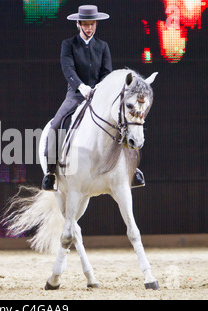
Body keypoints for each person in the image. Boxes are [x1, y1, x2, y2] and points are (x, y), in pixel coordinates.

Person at [42, 5, 145, 191]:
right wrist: (81, 87)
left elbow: (107, 72)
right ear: (78, 24)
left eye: (92, 24)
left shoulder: (102, 46)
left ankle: (133, 170)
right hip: (75, 95)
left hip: (99, 97)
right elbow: (68, 69)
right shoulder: (68, 44)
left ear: (96, 24)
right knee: (56, 124)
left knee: (124, 122)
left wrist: (99, 89)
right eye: (86, 25)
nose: (89, 28)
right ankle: (50, 173)